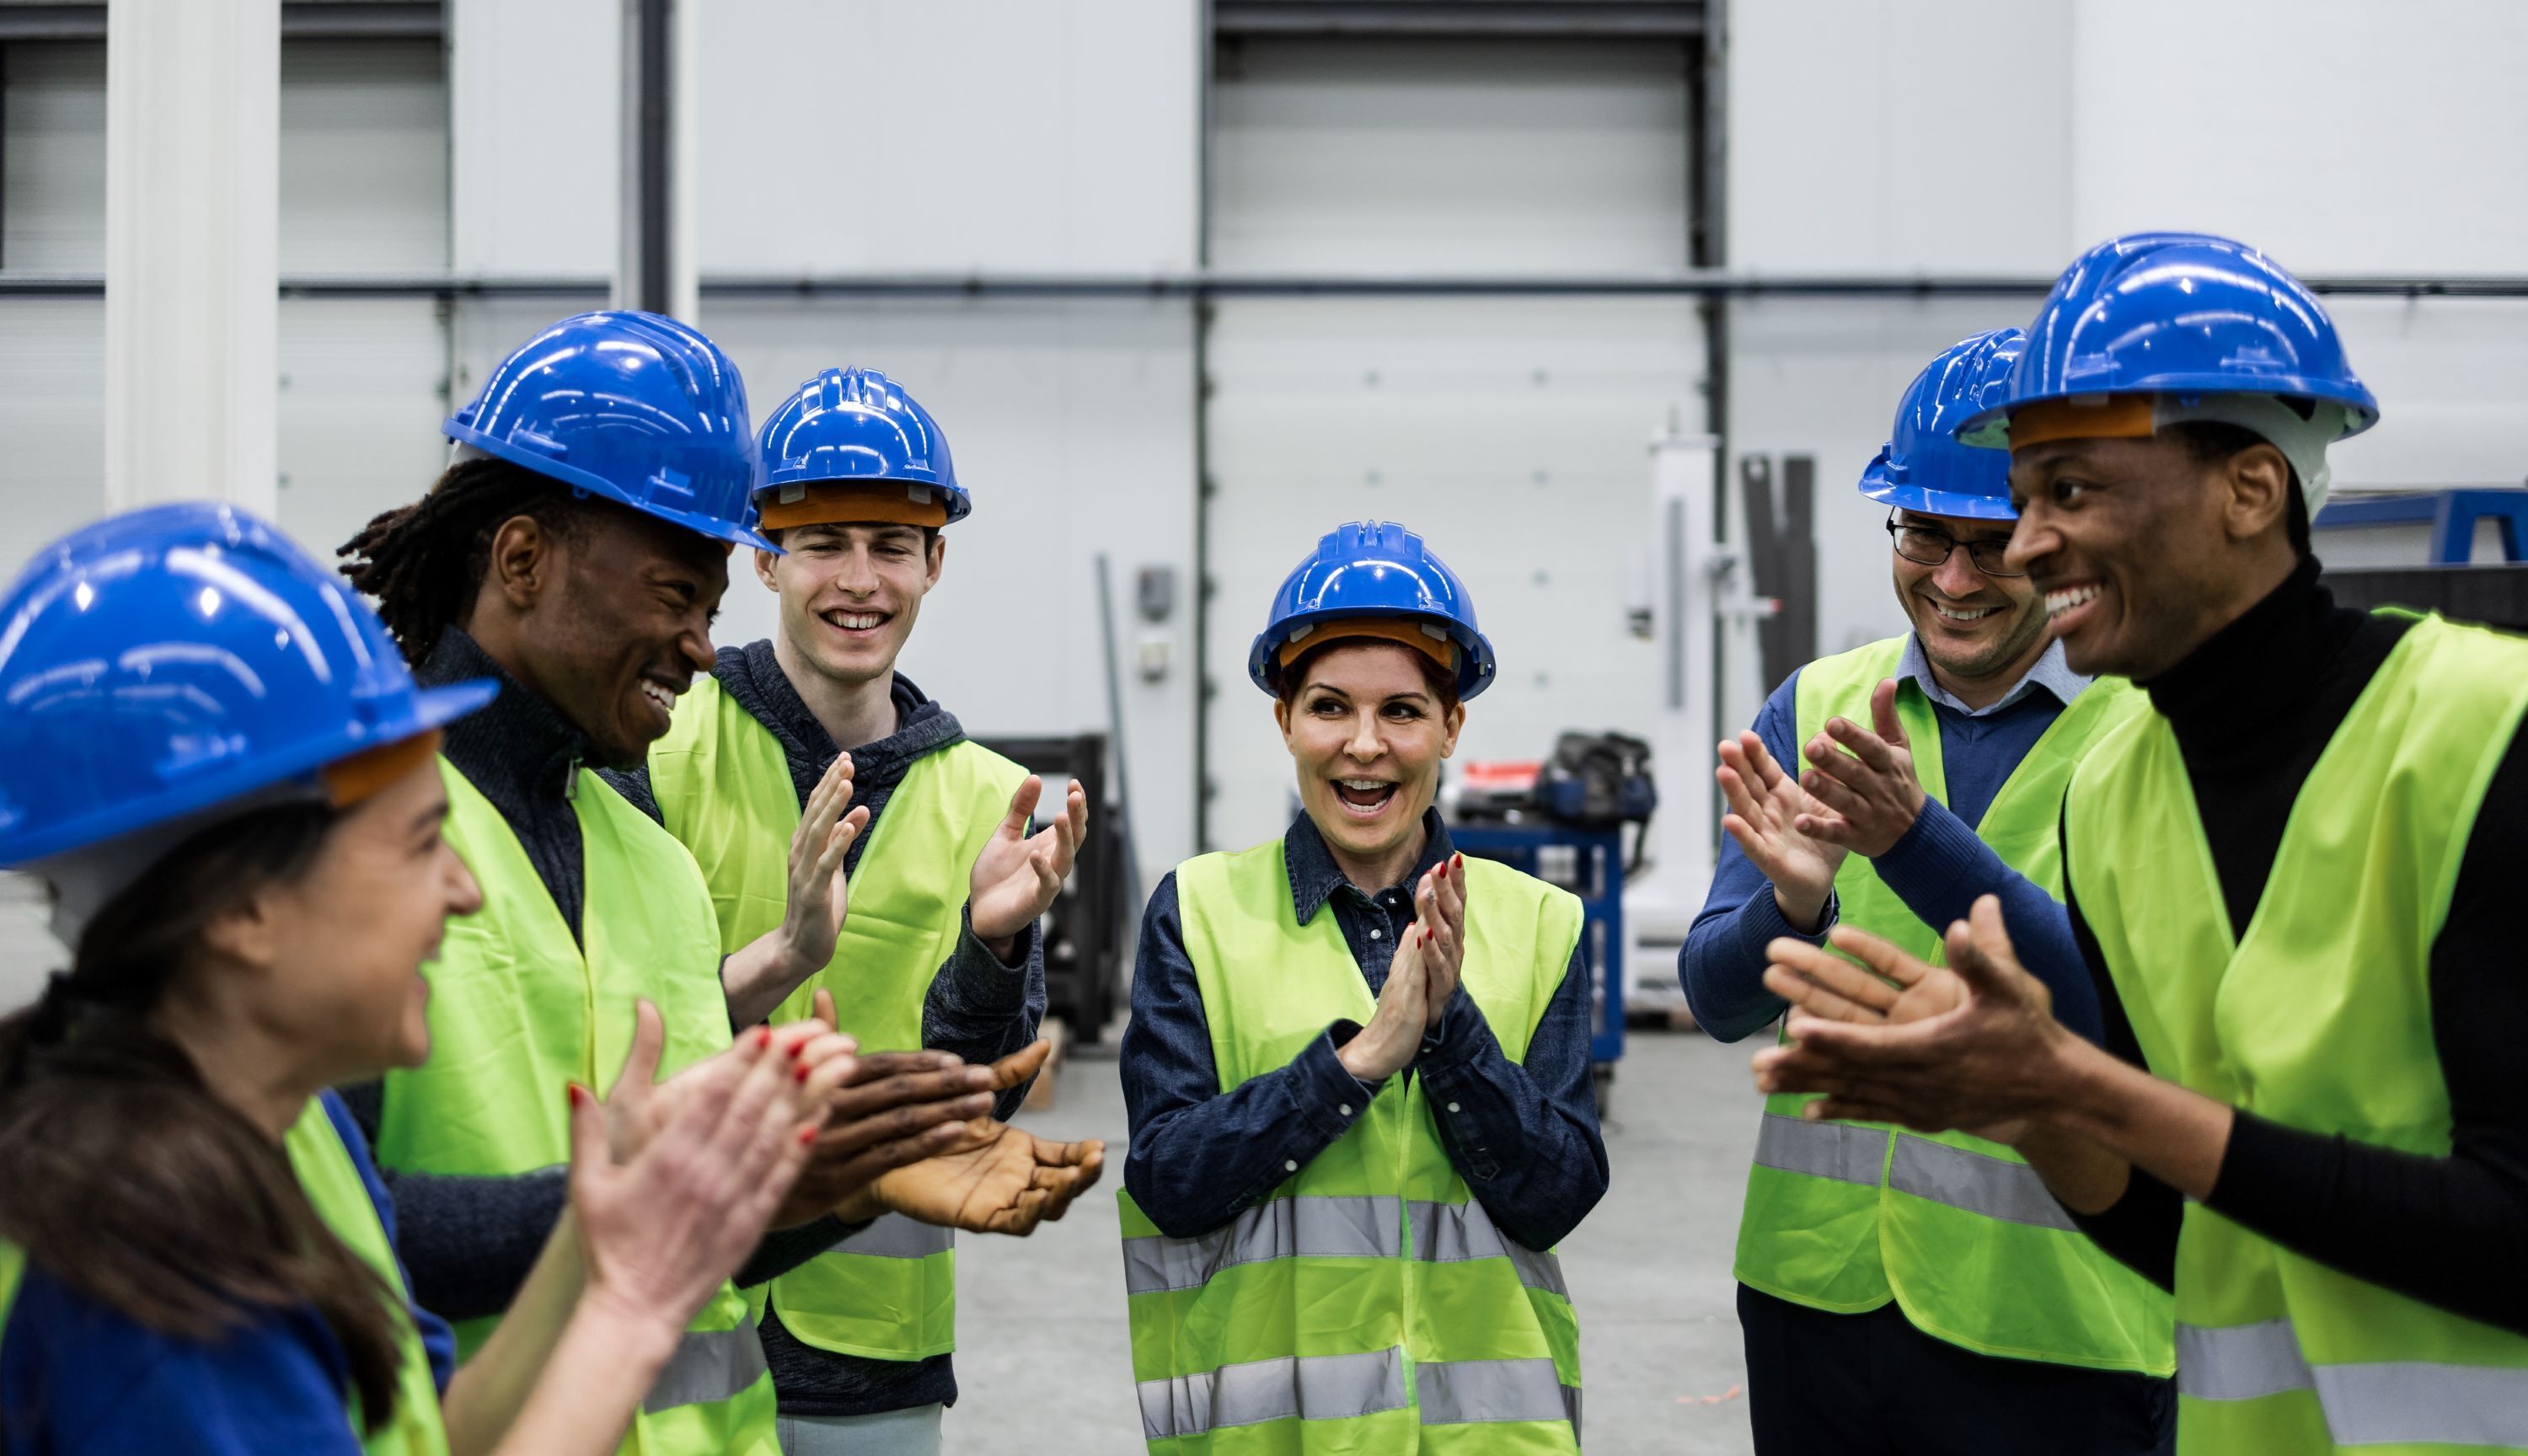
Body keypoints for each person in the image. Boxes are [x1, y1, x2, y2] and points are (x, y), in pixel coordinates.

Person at [1754, 232, 2528, 1454]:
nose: (2028, 544)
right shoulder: (2121, 790)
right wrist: (2028, 1109)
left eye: (2072, 491)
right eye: (2023, 500)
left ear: (2251, 488)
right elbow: (2176, 1231)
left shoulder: (2486, 734)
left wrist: (2080, 1089)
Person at [334, 311, 1103, 1456]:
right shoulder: (343, 839)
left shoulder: (643, 859)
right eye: (671, 598)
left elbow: (695, 1251)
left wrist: (843, 1185)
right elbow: (302, 1222)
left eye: (708, 613)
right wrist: (639, 1204)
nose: (701, 648)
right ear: (523, 560)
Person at [0, 502, 860, 1455]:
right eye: (418, 843)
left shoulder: (294, 1137)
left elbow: (428, 1432)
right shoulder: (145, 1263)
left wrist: (606, 1220)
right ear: (241, 905)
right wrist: (634, 1303)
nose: (461, 886)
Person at [1680, 329, 2173, 1452]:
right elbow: (1715, 1004)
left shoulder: (2154, 728)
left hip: (2059, 1319)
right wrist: (1791, 910)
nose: (1950, 580)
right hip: (1816, 1297)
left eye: (1990, 543)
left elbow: (2130, 1020)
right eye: (1922, 535)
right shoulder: (1816, 705)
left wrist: (1909, 842)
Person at [607, 366, 1092, 1455]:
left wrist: (992, 946)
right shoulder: (661, 745)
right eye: (825, 544)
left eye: (889, 545)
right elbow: (610, 1032)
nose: (858, 580)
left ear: (935, 563)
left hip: (874, 1353)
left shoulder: (989, 799)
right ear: (765, 557)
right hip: (671, 1311)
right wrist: (783, 955)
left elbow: (980, 1109)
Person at [1118, 522, 1607, 1453]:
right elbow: (1169, 1181)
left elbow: (1559, 1195)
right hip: (1272, 1433)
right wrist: (1357, 1064)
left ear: (1451, 727)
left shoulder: (1545, 924)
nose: (1365, 746)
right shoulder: (1197, 910)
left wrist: (1450, 1029)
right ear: (1286, 721)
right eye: (1332, 708)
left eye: (1404, 712)